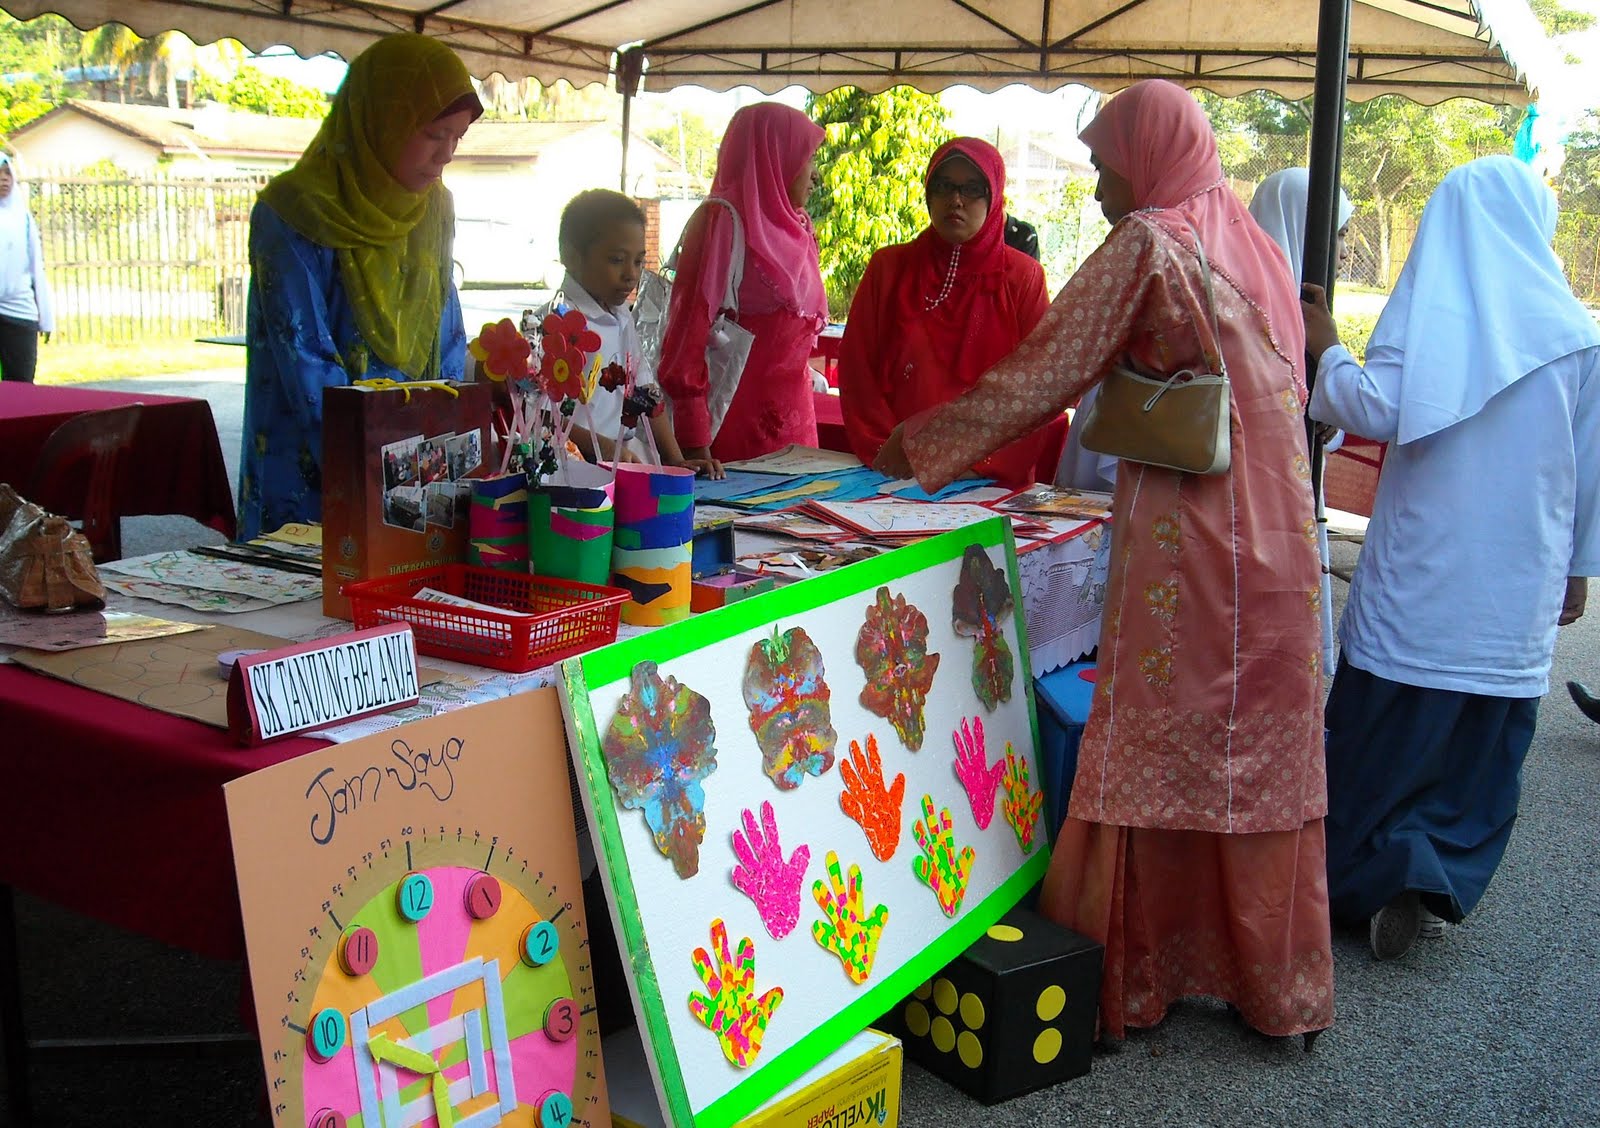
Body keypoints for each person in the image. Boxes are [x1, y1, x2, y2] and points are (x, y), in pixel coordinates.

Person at [877, 80, 1332, 1046]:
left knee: (1150, 732)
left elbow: (1046, 371)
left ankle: (1129, 974)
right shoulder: (1245, 241)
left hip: (1192, 536)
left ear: (1150, 154)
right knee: (1246, 746)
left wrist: (917, 449)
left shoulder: (1152, 241)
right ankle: (1273, 984)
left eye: (1101, 161)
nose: (1092, 185)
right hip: (1279, 543)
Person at [1301, 155, 1600, 960]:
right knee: (1480, 741)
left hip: (1426, 575)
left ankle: (1367, 870)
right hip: (1516, 582)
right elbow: (1588, 471)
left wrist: (1326, 349)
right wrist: (1576, 568)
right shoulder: (1580, 339)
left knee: (1383, 730)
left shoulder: (1429, 320)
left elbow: (1373, 407)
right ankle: (1429, 868)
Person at [237, 33, 482, 541]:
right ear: (383, 120)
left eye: (457, 138)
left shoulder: (433, 209)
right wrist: (388, 470)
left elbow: (447, 337)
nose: (446, 156)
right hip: (312, 472)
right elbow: (305, 361)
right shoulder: (293, 212)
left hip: (414, 475)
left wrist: (440, 454)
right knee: (302, 607)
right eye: (435, 133)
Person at [837, 137, 1052, 487]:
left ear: (995, 196)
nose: (956, 200)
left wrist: (975, 464)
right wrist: (890, 453)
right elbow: (858, 369)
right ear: (927, 193)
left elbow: (1036, 391)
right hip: (894, 474)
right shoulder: (889, 269)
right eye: (944, 186)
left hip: (986, 480)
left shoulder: (1023, 278)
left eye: (972, 189)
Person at [657, 103, 826, 464]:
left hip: (798, 434)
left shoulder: (798, 228)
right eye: (808, 158)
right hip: (730, 436)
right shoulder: (721, 221)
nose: (815, 176)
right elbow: (686, 337)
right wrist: (693, 444)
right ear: (774, 156)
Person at [1249, 166, 1355, 683]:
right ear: (1299, 223)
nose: (1340, 247)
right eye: (1335, 233)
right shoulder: (1250, 302)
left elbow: (1331, 418)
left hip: (1288, 495)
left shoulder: (1310, 311)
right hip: (1252, 500)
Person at [543, 189, 722, 477]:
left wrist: (676, 460)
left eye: (638, 261)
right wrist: (605, 448)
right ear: (571, 256)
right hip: (574, 475)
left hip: (624, 465)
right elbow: (541, 417)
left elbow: (645, 394)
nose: (631, 274)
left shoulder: (621, 315)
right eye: (616, 260)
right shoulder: (554, 323)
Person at [0, 154, 55, 383]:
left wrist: (46, 318)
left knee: (21, 387)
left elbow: (36, 269)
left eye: (7, 174)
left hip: (19, 312)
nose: (3, 180)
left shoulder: (23, 219)